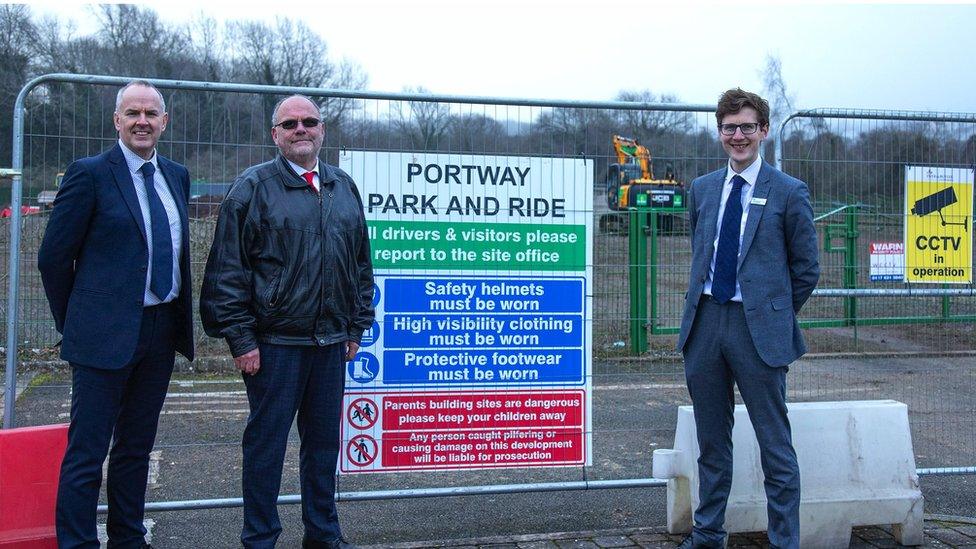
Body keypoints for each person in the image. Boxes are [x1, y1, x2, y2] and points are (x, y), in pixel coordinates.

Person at [200, 94, 374, 549]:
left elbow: (360, 265)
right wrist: (241, 339)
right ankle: (260, 539)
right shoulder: (252, 188)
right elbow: (227, 272)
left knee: (322, 449)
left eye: (309, 121)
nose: (301, 129)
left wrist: (355, 328)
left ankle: (323, 536)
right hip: (273, 345)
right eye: (290, 123)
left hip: (330, 344)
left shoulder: (342, 187)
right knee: (266, 448)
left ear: (323, 130)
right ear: (274, 134)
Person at [38, 80, 194, 549]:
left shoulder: (177, 175)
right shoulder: (88, 174)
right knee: (87, 452)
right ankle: (79, 542)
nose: (142, 121)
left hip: (160, 331)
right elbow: (52, 258)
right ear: (117, 121)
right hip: (100, 337)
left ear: (164, 122)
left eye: (151, 113)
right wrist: (79, 321)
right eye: (133, 113)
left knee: (135, 449)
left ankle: (129, 537)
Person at [675, 89, 820, 549]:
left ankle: (784, 541)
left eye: (746, 127)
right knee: (712, 444)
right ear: (720, 132)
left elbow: (806, 269)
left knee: (776, 448)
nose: (738, 135)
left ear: (763, 131)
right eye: (729, 127)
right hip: (705, 326)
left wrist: (772, 314)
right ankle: (708, 534)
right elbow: (702, 252)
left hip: (758, 332)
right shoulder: (701, 190)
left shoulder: (789, 191)